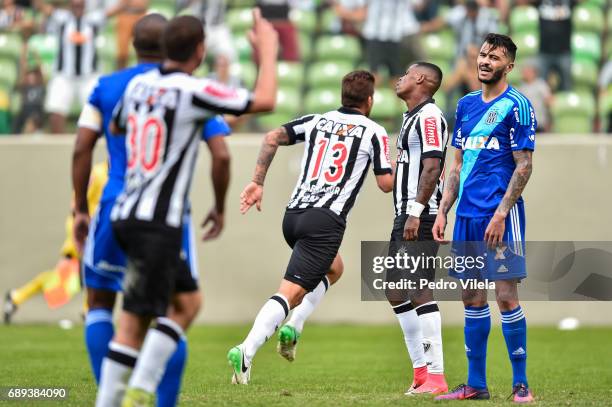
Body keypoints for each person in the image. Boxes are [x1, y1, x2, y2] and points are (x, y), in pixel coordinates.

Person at [94, 11, 278, 406]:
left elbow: (116, 129)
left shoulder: (139, 84)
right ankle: (137, 392)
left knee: (185, 303)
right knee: (133, 325)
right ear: (200, 50)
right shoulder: (193, 90)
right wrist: (269, 50)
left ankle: (134, 391)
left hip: (125, 209)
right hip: (156, 220)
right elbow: (264, 101)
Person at [72, 13, 233, 407]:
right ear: (172, 48)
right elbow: (220, 151)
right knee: (174, 310)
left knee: (100, 303)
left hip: (113, 206)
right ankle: (163, 402)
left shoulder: (107, 86)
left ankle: (108, 394)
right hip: (164, 212)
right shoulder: (185, 88)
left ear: (131, 45)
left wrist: (80, 207)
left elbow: (81, 147)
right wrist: (220, 205)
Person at [228, 70, 394, 385]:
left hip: (293, 216)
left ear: (342, 96)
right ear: (369, 100)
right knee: (289, 292)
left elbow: (271, 136)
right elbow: (385, 184)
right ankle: (246, 351)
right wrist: (405, 171)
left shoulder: (317, 121)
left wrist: (256, 182)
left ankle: (295, 326)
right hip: (325, 221)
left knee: (335, 268)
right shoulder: (374, 131)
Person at [432, 33, 536, 402]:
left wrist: (502, 212)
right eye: (483, 54)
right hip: (467, 217)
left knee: (506, 296)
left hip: (500, 217)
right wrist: (443, 210)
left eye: (495, 57)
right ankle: (476, 385)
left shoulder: (518, 106)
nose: (486, 61)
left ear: (509, 66)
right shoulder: (464, 105)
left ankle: (520, 384)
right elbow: (456, 164)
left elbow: (524, 165)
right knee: (471, 297)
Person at [388, 62, 448, 395]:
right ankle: (422, 373)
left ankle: (436, 377)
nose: (400, 78)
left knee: (418, 286)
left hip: (420, 214)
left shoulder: (428, 117)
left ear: (421, 79)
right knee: (395, 288)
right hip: (405, 213)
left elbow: (433, 165)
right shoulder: (411, 116)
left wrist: (416, 211)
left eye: (406, 73)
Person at [3, 162, 107, 324]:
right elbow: (77, 202)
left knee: (76, 276)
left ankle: (16, 297)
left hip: (98, 231)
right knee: (69, 276)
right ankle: (89, 310)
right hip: (84, 231)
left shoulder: (120, 174)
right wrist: (80, 231)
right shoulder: (99, 173)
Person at [40, 0, 125, 134]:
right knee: (56, 110)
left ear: (85, 5)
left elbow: (118, 8)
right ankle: (58, 145)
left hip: (89, 75)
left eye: (80, 4)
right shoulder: (61, 17)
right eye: (75, 4)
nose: (77, 7)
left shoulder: (93, 19)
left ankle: (92, 144)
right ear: (70, 5)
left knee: (96, 109)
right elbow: (41, 6)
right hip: (64, 74)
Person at [535, 0, 576, 91]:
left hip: (564, 52)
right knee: (541, 86)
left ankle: (565, 104)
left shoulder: (569, 2)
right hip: (544, 52)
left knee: (566, 86)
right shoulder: (541, 2)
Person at [517, 60, 552, 132]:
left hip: (540, 123)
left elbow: (549, 101)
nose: (525, 74)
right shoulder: (521, 87)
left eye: (528, 71)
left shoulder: (541, 84)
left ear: (534, 73)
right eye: (524, 72)